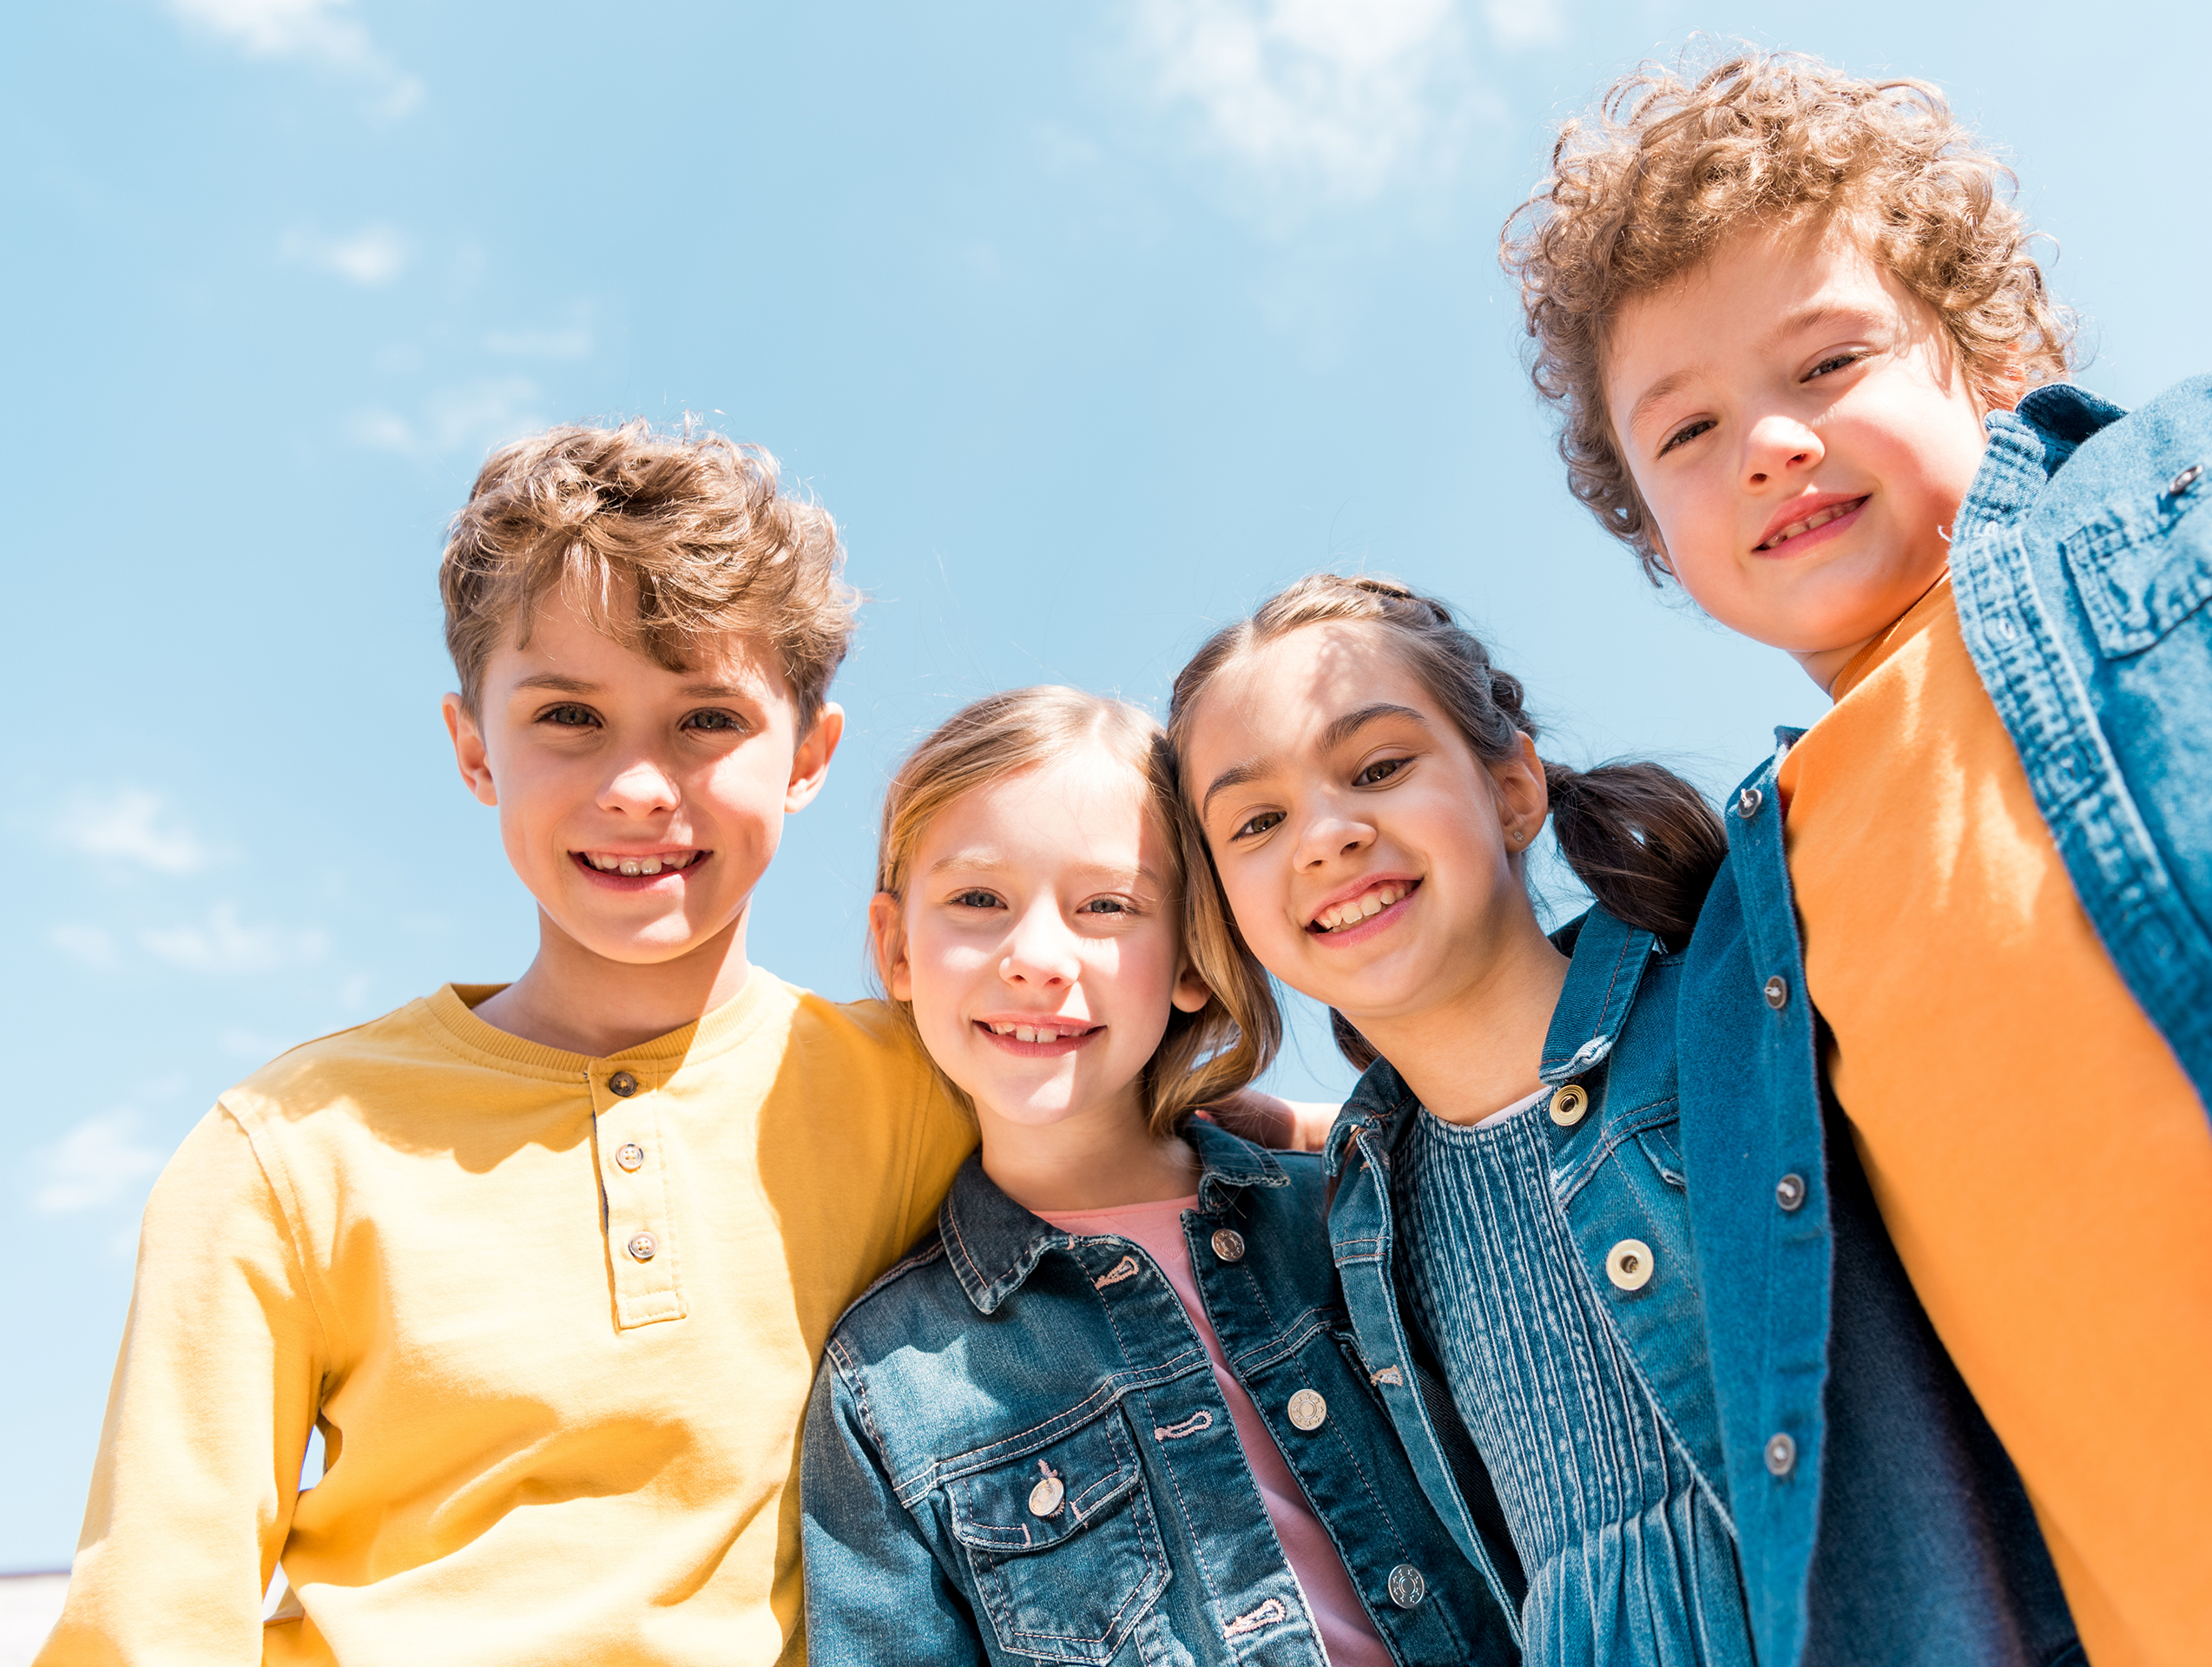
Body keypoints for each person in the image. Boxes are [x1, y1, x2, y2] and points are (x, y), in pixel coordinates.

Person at [1500, 47, 2212, 1667]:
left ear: (1988, 353)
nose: (1764, 443)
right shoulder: (1751, 944)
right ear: (1657, 541)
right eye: (1684, 432)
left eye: (1826, 362)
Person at [36, 422, 1315, 1667]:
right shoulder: (286, 1151)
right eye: (568, 718)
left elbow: (1134, 1140)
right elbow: (155, 1618)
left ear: (809, 755)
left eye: (707, 721)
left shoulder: (909, 1079)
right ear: (473, 746)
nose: (640, 785)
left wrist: (1317, 1134)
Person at [799, 686, 1514, 1665]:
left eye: (1107, 906)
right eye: (977, 901)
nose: (1039, 958)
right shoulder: (886, 1382)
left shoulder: (1355, 1220)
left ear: (1189, 957)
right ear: (896, 949)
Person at [1167, 574, 1753, 1667]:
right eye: (1257, 820)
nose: (1327, 836)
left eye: (1379, 767)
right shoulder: (1360, 1220)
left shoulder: (1739, 1008)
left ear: (1516, 786)